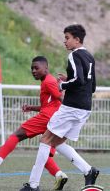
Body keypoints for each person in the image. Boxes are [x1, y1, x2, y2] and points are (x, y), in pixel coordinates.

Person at [20, 24, 99, 191]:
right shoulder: (89, 56)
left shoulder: (74, 55)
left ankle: (33, 185)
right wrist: (69, 78)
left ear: (77, 40)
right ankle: (88, 171)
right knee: (57, 142)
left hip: (71, 107)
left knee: (45, 140)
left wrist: (62, 85)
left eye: (67, 38)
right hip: (85, 107)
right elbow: (91, 86)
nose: (65, 42)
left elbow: (79, 81)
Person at [0, 56, 68, 190]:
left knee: (17, 135)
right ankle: (59, 175)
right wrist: (31, 107)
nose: (33, 71)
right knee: (44, 155)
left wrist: (71, 107)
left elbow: (62, 99)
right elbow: (49, 104)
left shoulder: (48, 81)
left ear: (46, 68)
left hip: (46, 118)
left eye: (36, 68)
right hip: (53, 120)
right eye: (32, 68)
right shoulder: (48, 81)